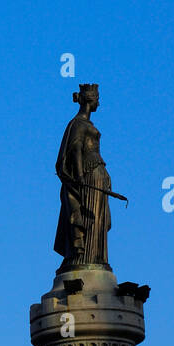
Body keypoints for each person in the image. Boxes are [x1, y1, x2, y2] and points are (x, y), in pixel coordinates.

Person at [54, 83, 112, 270]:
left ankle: (97, 257)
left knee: (98, 219)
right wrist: (79, 177)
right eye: (97, 99)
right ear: (90, 99)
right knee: (90, 217)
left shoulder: (85, 124)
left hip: (97, 174)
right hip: (88, 176)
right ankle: (84, 258)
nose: (99, 104)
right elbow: (75, 149)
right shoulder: (78, 124)